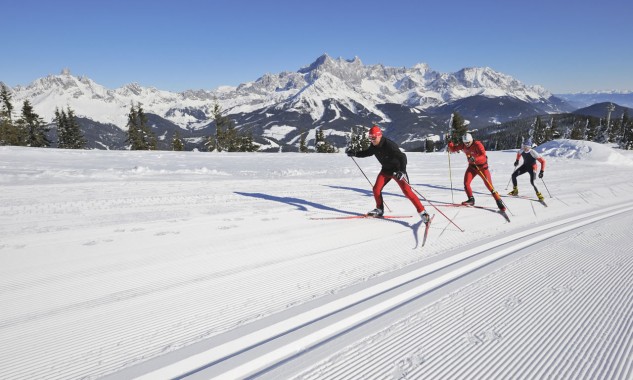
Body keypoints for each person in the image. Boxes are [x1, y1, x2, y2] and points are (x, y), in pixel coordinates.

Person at [346, 125, 430, 223]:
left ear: (379, 136)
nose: (372, 140)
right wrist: (355, 153)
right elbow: (367, 152)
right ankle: (379, 210)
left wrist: (402, 171)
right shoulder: (374, 146)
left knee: (407, 192)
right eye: (370, 137)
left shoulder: (389, 144)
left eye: (373, 137)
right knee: (376, 189)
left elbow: (402, 157)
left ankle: (423, 212)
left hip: (397, 171)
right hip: (385, 171)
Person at [447, 133, 506, 211]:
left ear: (471, 140)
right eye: (465, 142)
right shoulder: (463, 145)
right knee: (466, 183)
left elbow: (483, 155)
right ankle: (471, 200)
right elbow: (453, 149)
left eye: (468, 142)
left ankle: (498, 201)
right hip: (472, 167)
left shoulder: (477, 144)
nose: (466, 144)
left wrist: (475, 158)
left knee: (489, 185)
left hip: (482, 167)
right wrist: (449, 141)